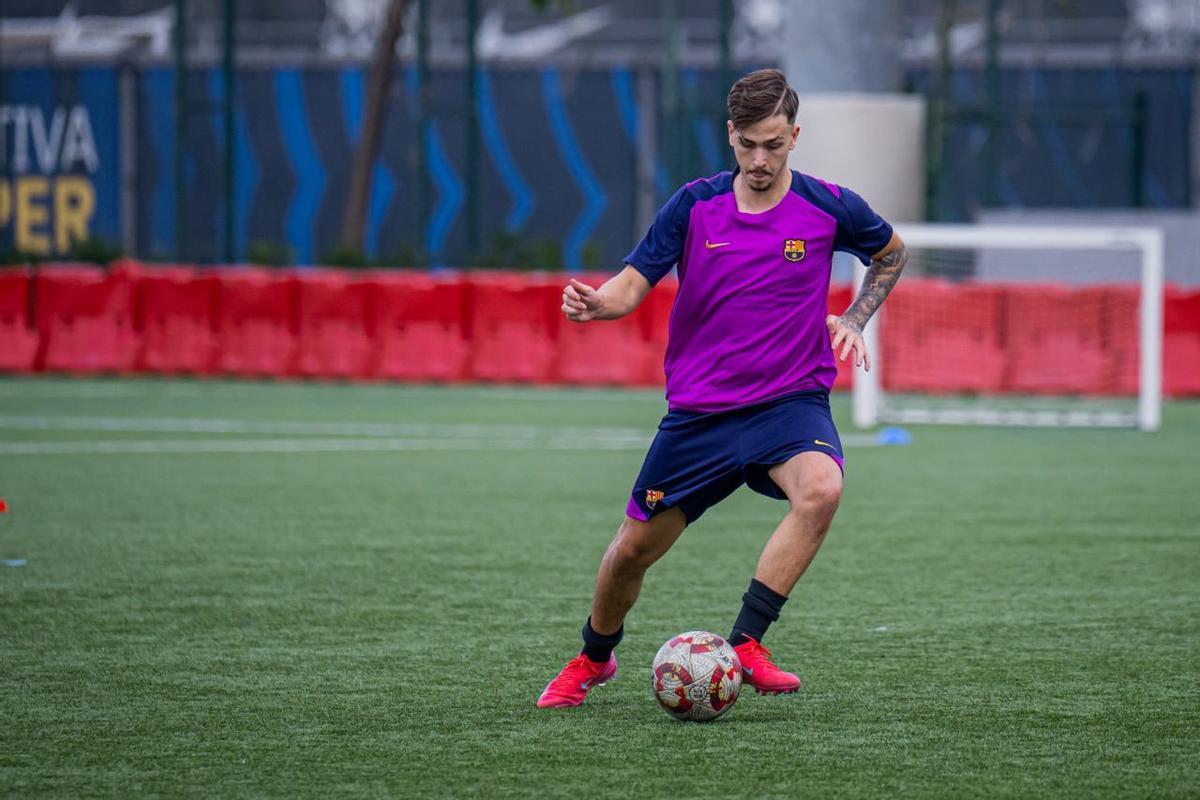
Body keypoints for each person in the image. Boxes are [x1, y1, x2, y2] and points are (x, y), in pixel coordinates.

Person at [537, 68, 908, 708]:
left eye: (773, 144)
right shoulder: (693, 205)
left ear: (794, 136)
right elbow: (632, 282)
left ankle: (746, 643)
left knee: (821, 488)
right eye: (748, 145)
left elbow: (892, 252)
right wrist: (599, 304)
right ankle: (594, 656)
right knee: (631, 553)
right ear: (730, 136)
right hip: (700, 416)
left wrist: (853, 319)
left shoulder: (828, 205)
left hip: (789, 404)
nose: (760, 160)